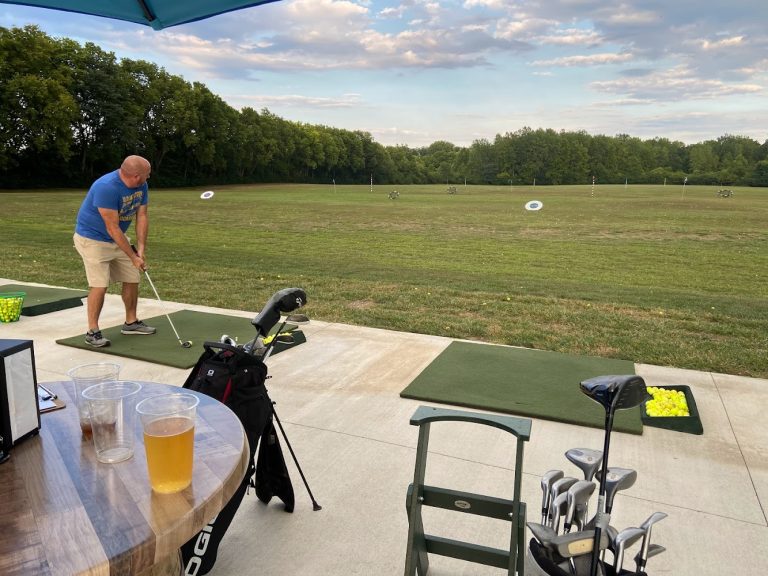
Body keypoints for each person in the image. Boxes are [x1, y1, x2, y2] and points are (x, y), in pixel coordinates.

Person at [73, 155, 156, 347]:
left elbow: (142, 215)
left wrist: (140, 250)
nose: (149, 177)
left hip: (117, 239)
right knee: (100, 285)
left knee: (132, 277)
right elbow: (112, 227)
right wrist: (132, 256)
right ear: (136, 176)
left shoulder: (141, 186)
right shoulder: (106, 187)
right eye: (147, 174)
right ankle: (92, 331)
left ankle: (131, 322)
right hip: (92, 239)